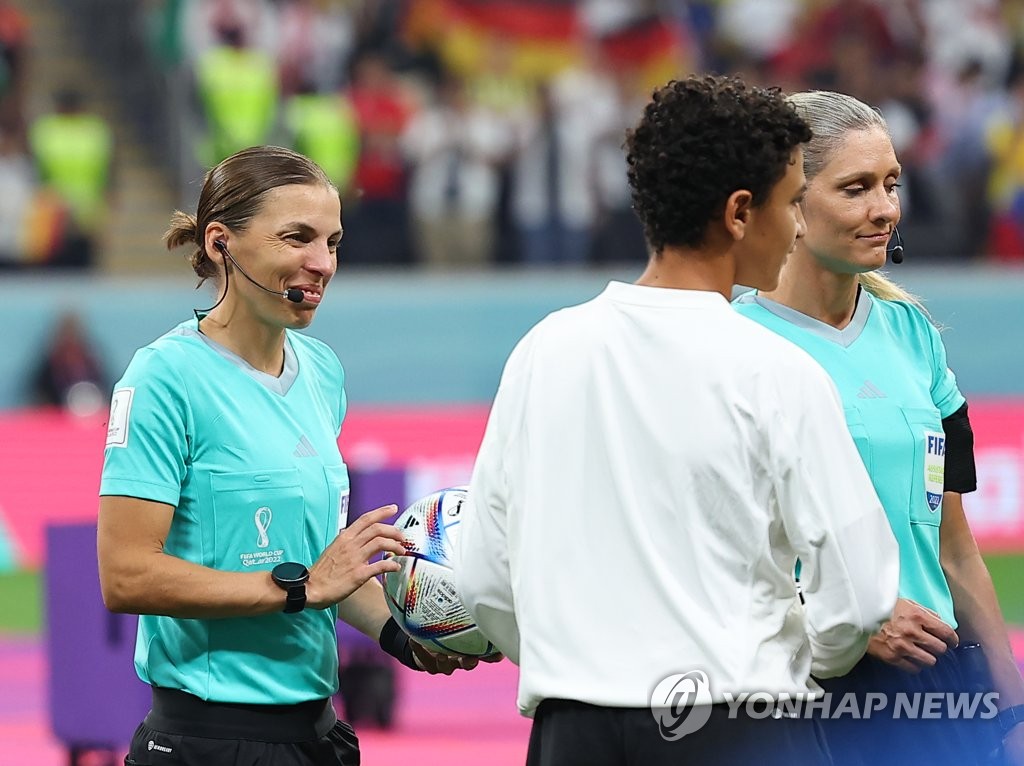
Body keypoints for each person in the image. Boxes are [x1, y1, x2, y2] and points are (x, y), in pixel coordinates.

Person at [456, 74, 900, 765]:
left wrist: (576, 670)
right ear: (740, 212)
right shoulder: (776, 371)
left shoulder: (544, 351)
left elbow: (484, 575)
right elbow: (861, 592)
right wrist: (802, 658)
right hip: (742, 724)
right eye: (790, 204)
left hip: (574, 732)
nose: (795, 227)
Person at [97, 145, 474, 766]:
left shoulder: (322, 372)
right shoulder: (164, 376)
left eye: (332, 242)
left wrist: (407, 638)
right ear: (221, 243)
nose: (321, 262)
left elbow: (326, 572)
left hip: (316, 736)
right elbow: (127, 575)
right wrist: (297, 587)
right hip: (205, 743)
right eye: (297, 238)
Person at [733, 89, 1024, 765]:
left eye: (892, 184)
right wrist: (850, 621)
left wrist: (1012, 712)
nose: (885, 208)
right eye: (857, 187)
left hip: (936, 694)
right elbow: (716, 553)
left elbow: (954, 549)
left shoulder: (914, 336)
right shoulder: (731, 347)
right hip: (797, 699)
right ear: (794, 208)